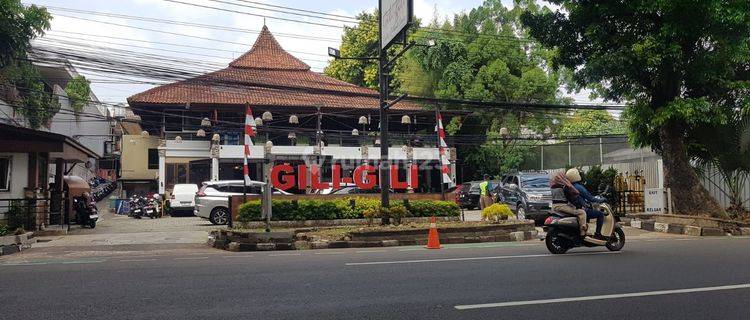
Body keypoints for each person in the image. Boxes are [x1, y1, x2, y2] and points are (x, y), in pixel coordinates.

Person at [566, 168, 605, 239]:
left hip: (572, 207)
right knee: (600, 214)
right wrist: (602, 200)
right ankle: (598, 234)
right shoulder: (578, 187)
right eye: (579, 174)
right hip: (581, 209)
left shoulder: (568, 186)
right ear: (575, 176)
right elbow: (590, 198)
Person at [549, 171, 588, 236]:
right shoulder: (564, 187)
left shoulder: (552, 187)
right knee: (582, 212)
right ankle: (583, 233)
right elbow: (576, 193)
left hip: (555, 206)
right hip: (562, 206)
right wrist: (569, 185)